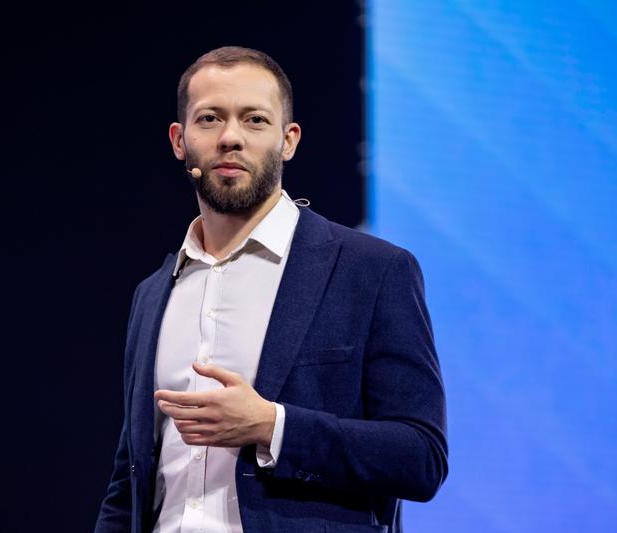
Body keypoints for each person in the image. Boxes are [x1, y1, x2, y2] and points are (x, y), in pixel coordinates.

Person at [94, 46, 447, 533]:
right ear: (179, 140)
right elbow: (129, 483)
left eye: (255, 120)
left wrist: (271, 426)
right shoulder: (153, 293)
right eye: (210, 118)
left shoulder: (372, 271)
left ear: (288, 140)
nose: (230, 137)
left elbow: (421, 456)